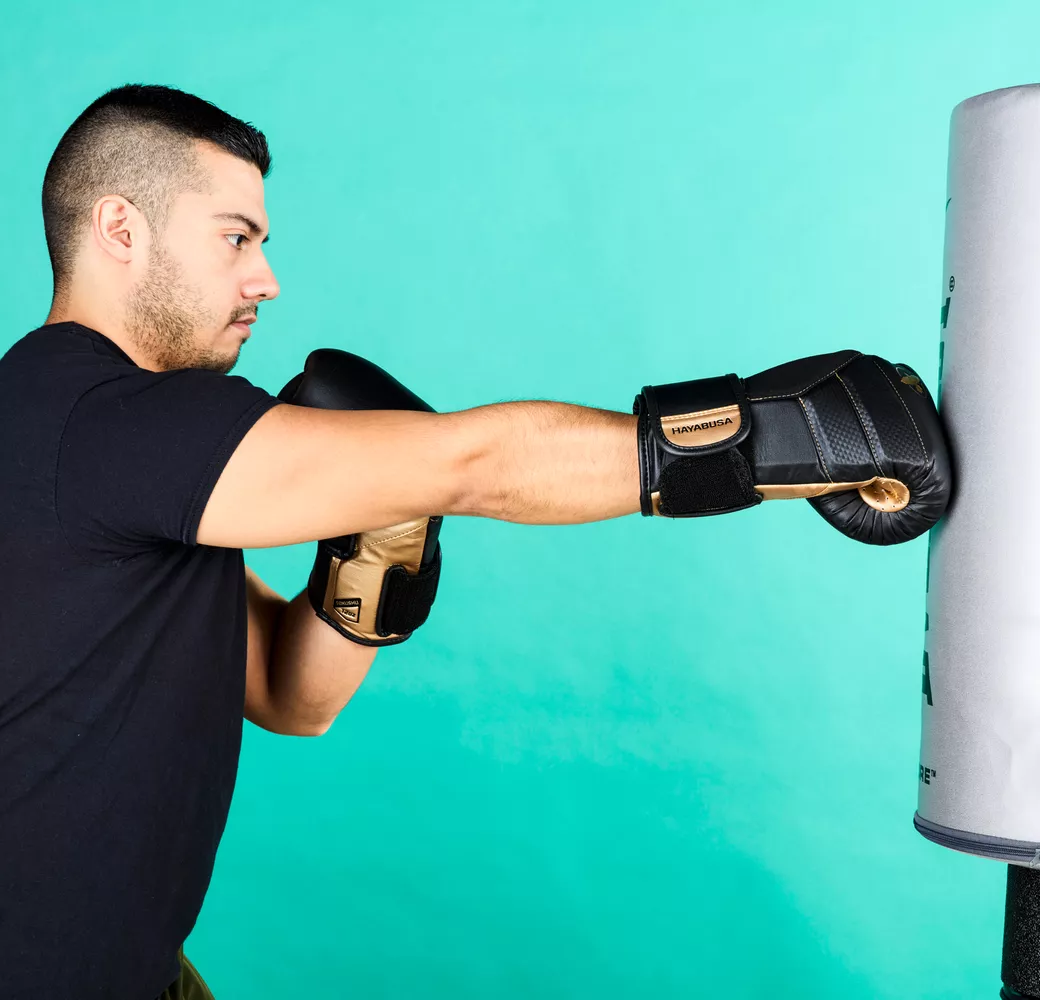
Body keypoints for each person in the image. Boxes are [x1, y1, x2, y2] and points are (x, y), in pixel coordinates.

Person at [0, 84, 951, 999]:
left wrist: (377, 546)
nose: (266, 278)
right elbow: (478, 463)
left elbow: (290, 694)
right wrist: (767, 438)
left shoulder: (117, 458)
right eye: (236, 238)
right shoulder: (91, 420)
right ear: (121, 230)